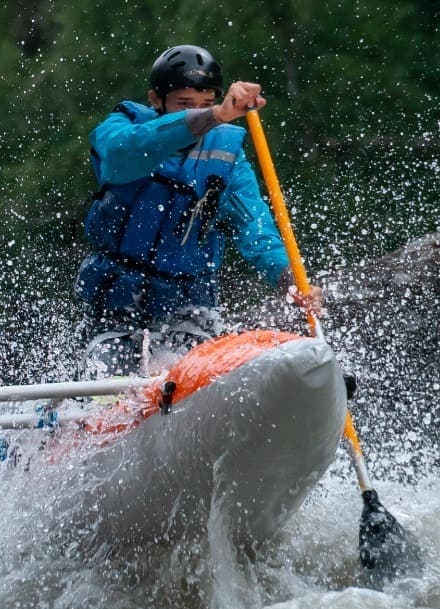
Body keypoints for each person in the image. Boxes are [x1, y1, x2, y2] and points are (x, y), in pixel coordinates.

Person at [75, 44, 321, 375]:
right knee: (105, 366)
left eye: (207, 104)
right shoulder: (122, 130)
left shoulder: (227, 158)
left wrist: (286, 277)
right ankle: (91, 410)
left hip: (189, 301)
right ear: (155, 100)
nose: (199, 113)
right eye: (185, 104)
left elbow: (255, 229)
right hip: (115, 297)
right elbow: (127, 151)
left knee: (197, 363)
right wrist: (215, 115)